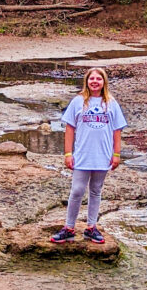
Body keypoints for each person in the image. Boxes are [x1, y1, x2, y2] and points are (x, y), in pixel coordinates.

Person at [51, 66, 127, 245]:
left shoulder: (111, 103)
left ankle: (91, 227)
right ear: (87, 81)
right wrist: (68, 153)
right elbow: (69, 129)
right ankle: (69, 228)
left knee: (96, 190)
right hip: (82, 155)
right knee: (77, 190)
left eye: (98, 79)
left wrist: (116, 154)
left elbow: (117, 131)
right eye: (91, 79)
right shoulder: (78, 101)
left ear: (103, 82)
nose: (95, 82)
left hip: (103, 155)